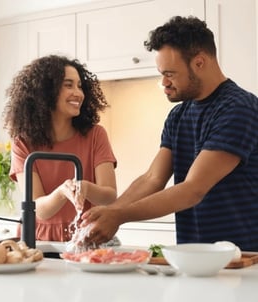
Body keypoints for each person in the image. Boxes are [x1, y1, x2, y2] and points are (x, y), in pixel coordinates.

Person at [81, 16, 258, 251]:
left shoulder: (238, 108)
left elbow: (193, 189)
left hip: (242, 258)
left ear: (199, 62)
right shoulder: (178, 115)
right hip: (193, 254)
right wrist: (111, 212)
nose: (164, 82)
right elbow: (152, 178)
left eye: (170, 73)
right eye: (161, 73)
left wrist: (120, 215)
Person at [2, 55, 117, 242]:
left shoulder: (96, 135)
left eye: (80, 86)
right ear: (46, 91)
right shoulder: (23, 144)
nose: (78, 93)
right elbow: (39, 209)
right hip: (38, 239)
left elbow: (109, 196)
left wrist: (85, 187)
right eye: (68, 85)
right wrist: (62, 192)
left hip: (85, 237)